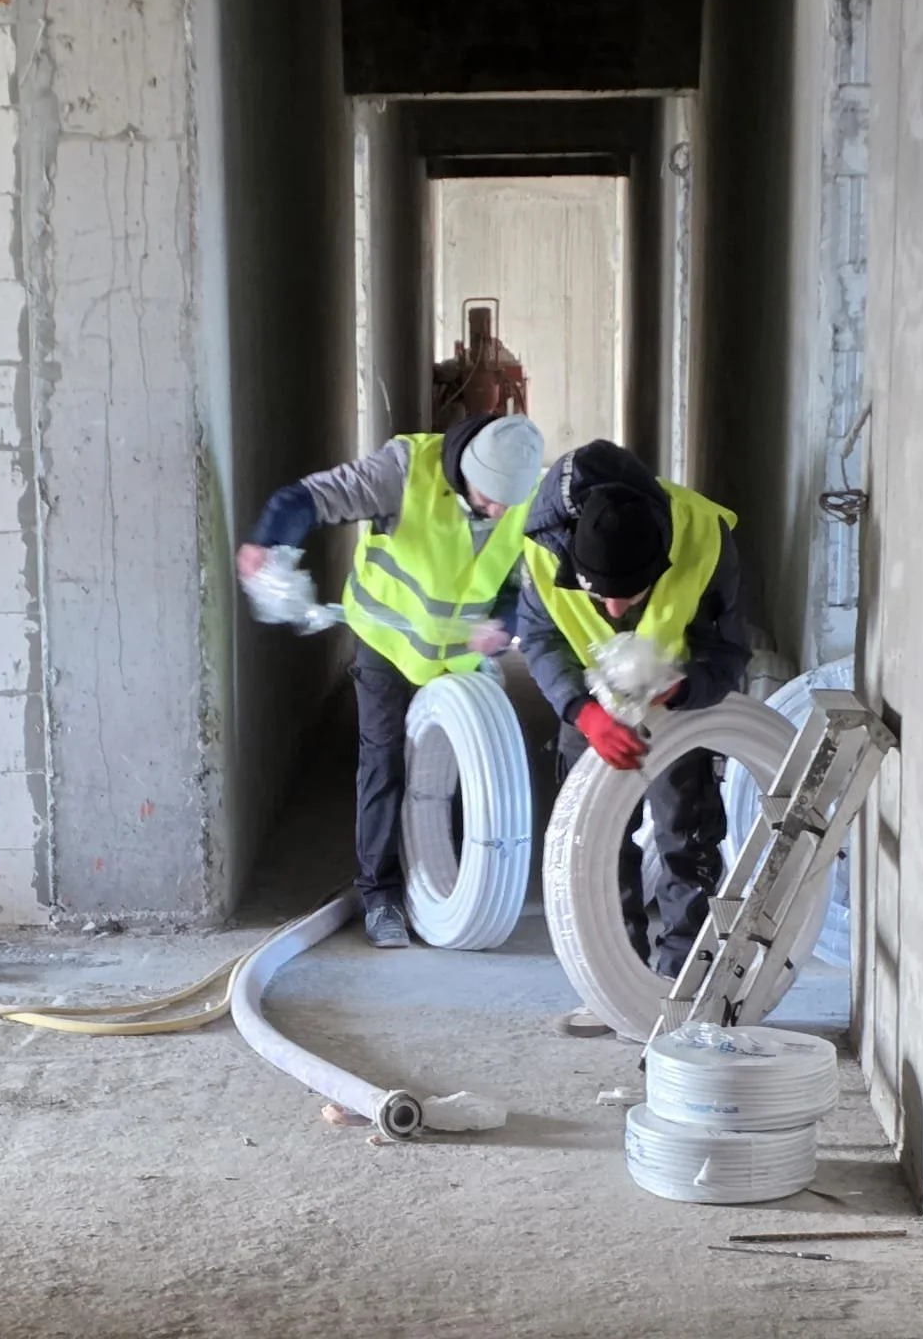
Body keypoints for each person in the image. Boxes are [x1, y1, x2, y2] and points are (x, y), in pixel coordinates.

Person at [237, 412, 545, 947]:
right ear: (464, 468)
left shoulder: (526, 500)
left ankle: (447, 888)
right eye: (488, 496)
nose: (497, 509)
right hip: (384, 642)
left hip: (456, 659)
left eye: (507, 502)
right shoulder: (406, 469)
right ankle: (380, 893)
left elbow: (527, 582)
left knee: (459, 768)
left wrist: (505, 621)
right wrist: (269, 543)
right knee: (383, 761)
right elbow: (310, 498)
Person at [512, 440, 751, 996]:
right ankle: (614, 980)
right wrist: (581, 711)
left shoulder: (704, 537)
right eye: (600, 596)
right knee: (594, 838)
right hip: (591, 706)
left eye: (631, 596)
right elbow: (542, 637)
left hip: (672, 710)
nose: (614, 613)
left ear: (660, 559)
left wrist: (687, 688)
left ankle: (686, 976)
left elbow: (728, 651)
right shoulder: (543, 548)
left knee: (684, 833)